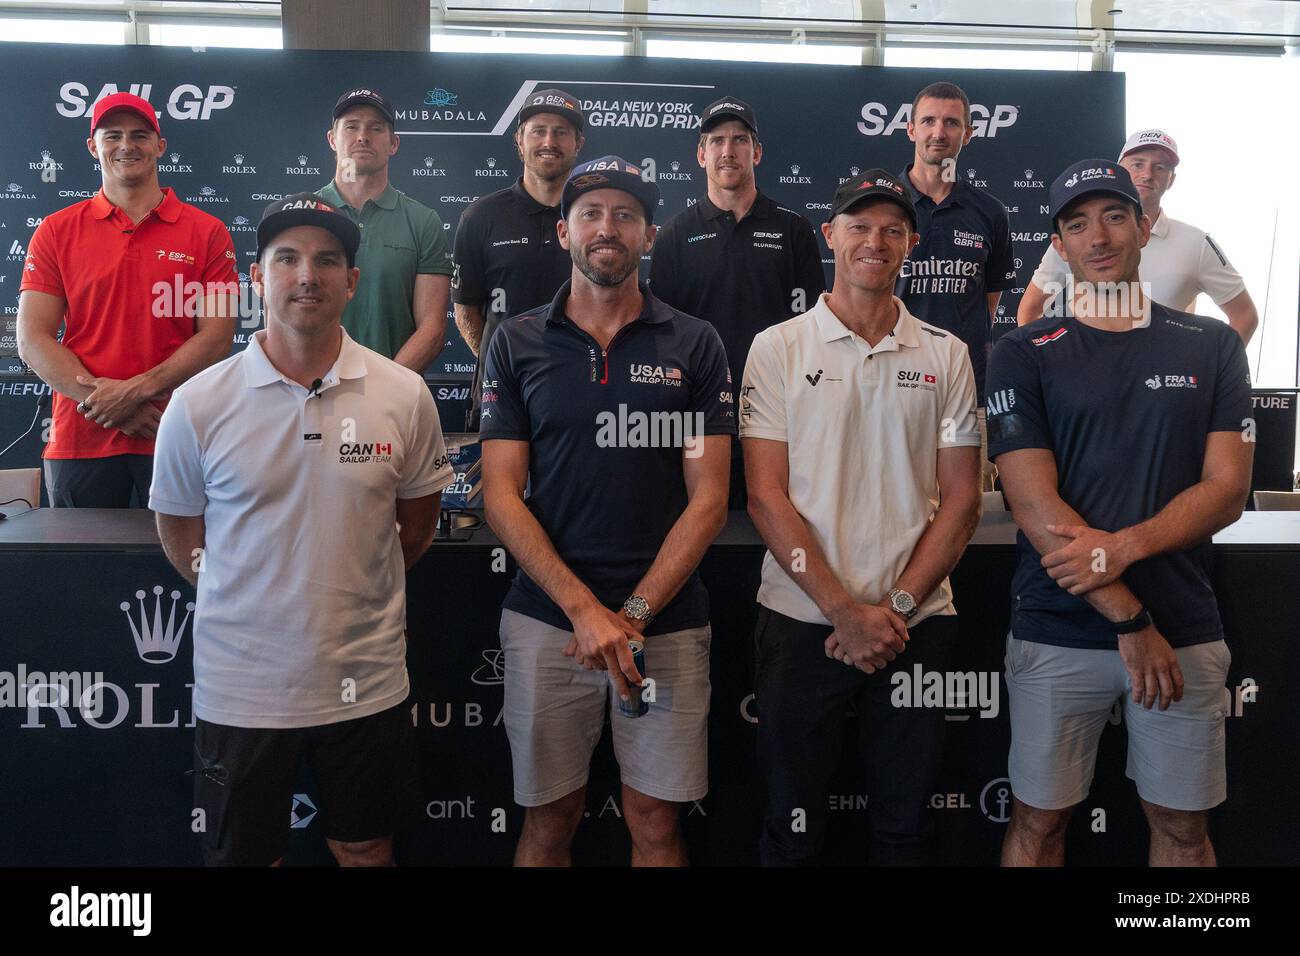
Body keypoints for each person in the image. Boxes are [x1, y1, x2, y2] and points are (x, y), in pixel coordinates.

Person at [150, 194, 455, 867]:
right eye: (285, 259)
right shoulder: (199, 404)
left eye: (326, 260)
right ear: (256, 278)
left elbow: (415, 529)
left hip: (366, 681)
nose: (306, 275)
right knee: (245, 859)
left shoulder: (403, 394)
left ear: (351, 279)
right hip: (242, 687)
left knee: (366, 848)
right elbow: (181, 535)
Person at [987, 161, 1253, 867]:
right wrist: (1129, 618)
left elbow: (1226, 489)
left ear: (1143, 228)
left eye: (1112, 216)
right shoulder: (1022, 352)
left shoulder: (1213, 346)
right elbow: (1033, 502)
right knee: (1039, 822)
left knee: (1182, 828)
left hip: (1184, 628)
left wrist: (1123, 551)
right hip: (1058, 625)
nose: (1096, 236)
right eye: (1076, 224)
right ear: (1060, 247)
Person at [479, 157, 734, 866]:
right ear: (563, 233)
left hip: (669, 625)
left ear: (649, 235)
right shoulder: (516, 341)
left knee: (654, 822)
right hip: (547, 621)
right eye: (591, 214)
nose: (607, 229)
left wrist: (634, 615)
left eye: (625, 215)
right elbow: (500, 492)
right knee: (549, 819)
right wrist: (586, 612)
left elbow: (709, 499)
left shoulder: (695, 343)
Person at [741, 170, 982, 865]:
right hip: (800, 621)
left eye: (891, 229)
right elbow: (765, 495)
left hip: (917, 626)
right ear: (831, 236)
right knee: (792, 832)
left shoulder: (947, 353)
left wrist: (893, 608)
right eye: (859, 226)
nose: (874, 241)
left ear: (910, 242)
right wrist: (843, 610)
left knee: (905, 831)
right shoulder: (777, 347)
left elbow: (962, 500)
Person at [16, 92, 235, 508]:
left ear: (160, 145)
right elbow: (32, 339)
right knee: (84, 572)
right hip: (81, 438)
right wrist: (106, 405)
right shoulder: (55, 231)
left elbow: (217, 337)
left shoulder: (209, 232)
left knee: (189, 568)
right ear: (92, 146)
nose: (126, 145)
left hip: (176, 431)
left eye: (140, 134)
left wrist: (134, 392)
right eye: (111, 134)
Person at [649, 96, 825, 507]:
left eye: (740, 140)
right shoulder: (675, 235)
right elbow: (662, 335)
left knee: (777, 518)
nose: (728, 151)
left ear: (757, 152)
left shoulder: (793, 229)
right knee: (703, 519)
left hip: (781, 410)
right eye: (717, 141)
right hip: (699, 412)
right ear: (701, 154)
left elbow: (816, 328)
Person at [1016, 129, 1258, 344]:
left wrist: (1211, 375)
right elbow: (1030, 309)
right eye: (1138, 164)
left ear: (1171, 179)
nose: (1148, 174)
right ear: (1120, 169)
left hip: (1162, 389)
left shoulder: (1196, 243)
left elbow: (1245, 316)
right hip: (1086, 384)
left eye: (1160, 167)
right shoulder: (1081, 240)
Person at [896, 81, 1016, 492]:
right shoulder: (884, 205)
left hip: (968, 395)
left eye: (951, 123)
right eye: (928, 121)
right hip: (891, 390)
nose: (938, 132)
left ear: (968, 134)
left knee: (969, 519)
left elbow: (988, 303)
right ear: (910, 129)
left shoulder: (989, 212)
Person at [453, 89, 585, 430]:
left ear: (578, 143)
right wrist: (505, 361)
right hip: (500, 397)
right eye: (538, 130)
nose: (549, 141)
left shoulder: (593, 216)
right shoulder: (481, 217)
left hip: (580, 396)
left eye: (561, 132)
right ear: (519, 140)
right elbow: (466, 310)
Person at [317, 87, 453, 371]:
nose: (363, 136)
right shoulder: (303, 216)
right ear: (332, 139)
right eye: (351, 126)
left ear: (393, 144)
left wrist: (384, 390)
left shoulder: (423, 221)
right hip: (313, 395)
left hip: (395, 400)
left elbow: (432, 331)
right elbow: (282, 321)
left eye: (376, 128)